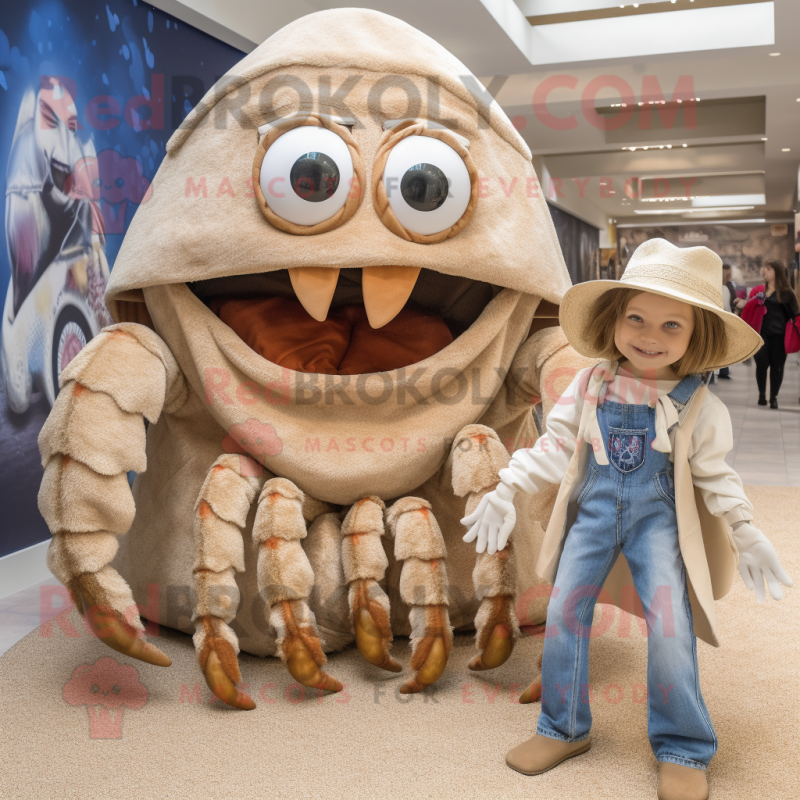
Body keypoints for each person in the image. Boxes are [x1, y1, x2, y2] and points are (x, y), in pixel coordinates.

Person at [462, 239, 791, 800]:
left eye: (672, 326)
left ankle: (683, 744)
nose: (648, 335)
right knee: (566, 610)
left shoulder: (697, 404)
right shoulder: (591, 384)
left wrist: (744, 529)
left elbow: (714, 475)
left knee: (668, 625)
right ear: (615, 318)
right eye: (636, 317)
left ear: (697, 335)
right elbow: (556, 444)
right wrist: (506, 487)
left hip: (657, 522)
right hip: (591, 514)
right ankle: (562, 726)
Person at [742, 259, 800, 408]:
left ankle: (773, 397)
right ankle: (762, 394)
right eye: (765, 269)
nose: (764, 272)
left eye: (768, 269)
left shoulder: (787, 293)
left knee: (777, 367)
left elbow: (795, 314)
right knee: (761, 364)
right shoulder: (760, 292)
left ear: (777, 273)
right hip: (761, 335)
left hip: (780, 336)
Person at [717, 263, 743, 379]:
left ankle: (724, 369)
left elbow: (731, 300)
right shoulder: (723, 287)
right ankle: (723, 370)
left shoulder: (727, 286)